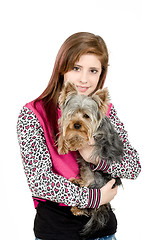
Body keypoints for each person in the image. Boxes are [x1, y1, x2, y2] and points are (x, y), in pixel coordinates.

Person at [17, 32, 141, 240]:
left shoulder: (105, 110)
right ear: (61, 68)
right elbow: (40, 182)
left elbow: (133, 167)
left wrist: (94, 158)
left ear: (101, 75)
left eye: (93, 71)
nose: (84, 79)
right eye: (76, 68)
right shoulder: (33, 115)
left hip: (103, 232)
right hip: (56, 232)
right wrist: (94, 198)